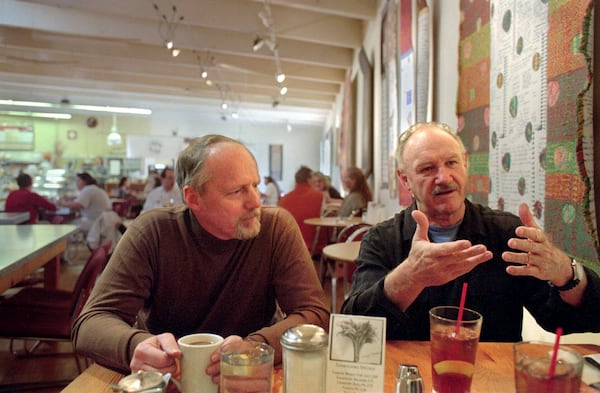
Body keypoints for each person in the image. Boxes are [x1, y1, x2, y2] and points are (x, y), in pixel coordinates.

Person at [72, 135, 329, 383]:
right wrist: (136, 346)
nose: (255, 202)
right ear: (193, 198)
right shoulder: (154, 231)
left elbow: (315, 314)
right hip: (171, 377)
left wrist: (257, 346)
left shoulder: (275, 228)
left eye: (254, 185)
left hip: (249, 376)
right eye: (237, 191)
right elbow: (91, 321)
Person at [341, 122, 600, 342]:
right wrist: (410, 277)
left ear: (465, 164)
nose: (443, 177)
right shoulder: (382, 240)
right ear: (405, 179)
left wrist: (565, 272)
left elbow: (569, 320)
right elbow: (353, 331)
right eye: (427, 169)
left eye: (451, 162)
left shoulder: (507, 233)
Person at [279, 166, 327, 254]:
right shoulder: (319, 196)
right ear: (308, 179)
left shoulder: (284, 199)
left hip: (287, 246)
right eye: (313, 178)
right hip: (312, 245)